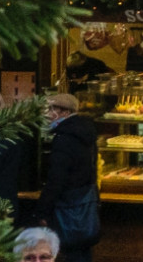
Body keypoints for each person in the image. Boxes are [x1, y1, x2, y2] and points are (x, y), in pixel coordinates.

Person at [38, 94, 100, 262]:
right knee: (82, 252)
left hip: (67, 204)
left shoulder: (64, 138)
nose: (47, 114)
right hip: (85, 200)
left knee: (70, 252)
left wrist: (43, 210)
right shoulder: (85, 132)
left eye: (51, 109)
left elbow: (57, 177)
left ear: (64, 112)